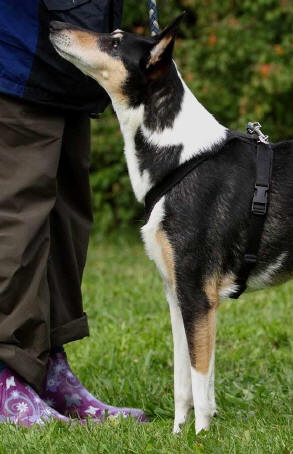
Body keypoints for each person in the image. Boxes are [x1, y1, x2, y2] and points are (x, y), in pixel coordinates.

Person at [0, 0, 146, 426]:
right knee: (17, 219)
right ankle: (7, 372)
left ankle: (48, 367)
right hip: (17, 57)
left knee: (66, 220)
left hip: (69, 69)